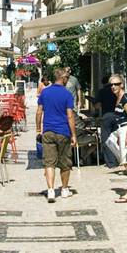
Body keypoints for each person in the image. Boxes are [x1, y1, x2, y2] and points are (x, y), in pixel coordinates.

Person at [36, 67, 77, 203]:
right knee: (65, 162)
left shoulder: (45, 92)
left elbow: (39, 112)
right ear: (63, 78)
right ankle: (64, 190)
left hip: (47, 131)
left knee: (49, 162)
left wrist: (38, 129)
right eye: (67, 78)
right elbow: (70, 116)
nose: (67, 81)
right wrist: (73, 135)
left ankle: (51, 190)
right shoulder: (66, 94)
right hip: (63, 132)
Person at [99, 75, 127, 168]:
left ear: (122, 85)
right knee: (109, 142)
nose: (113, 86)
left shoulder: (125, 98)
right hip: (119, 128)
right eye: (111, 85)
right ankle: (115, 161)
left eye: (116, 84)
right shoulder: (118, 98)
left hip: (125, 129)